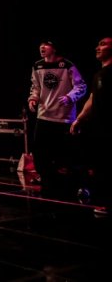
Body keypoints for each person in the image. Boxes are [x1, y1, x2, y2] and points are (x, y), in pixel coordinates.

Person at [27, 39, 87, 197]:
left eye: (46, 45)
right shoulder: (37, 66)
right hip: (44, 116)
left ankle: (69, 185)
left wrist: (70, 97)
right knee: (40, 152)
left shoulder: (67, 65)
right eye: (40, 45)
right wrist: (33, 99)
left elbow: (81, 86)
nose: (42, 47)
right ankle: (47, 180)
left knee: (64, 154)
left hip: (63, 118)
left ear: (54, 48)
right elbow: (36, 87)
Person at [70, 36, 111, 217]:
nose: (97, 47)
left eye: (103, 44)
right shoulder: (98, 75)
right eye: (98, 44)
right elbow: (92, 99)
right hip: (101, 129)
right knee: (102, 165)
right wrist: (79, 119)